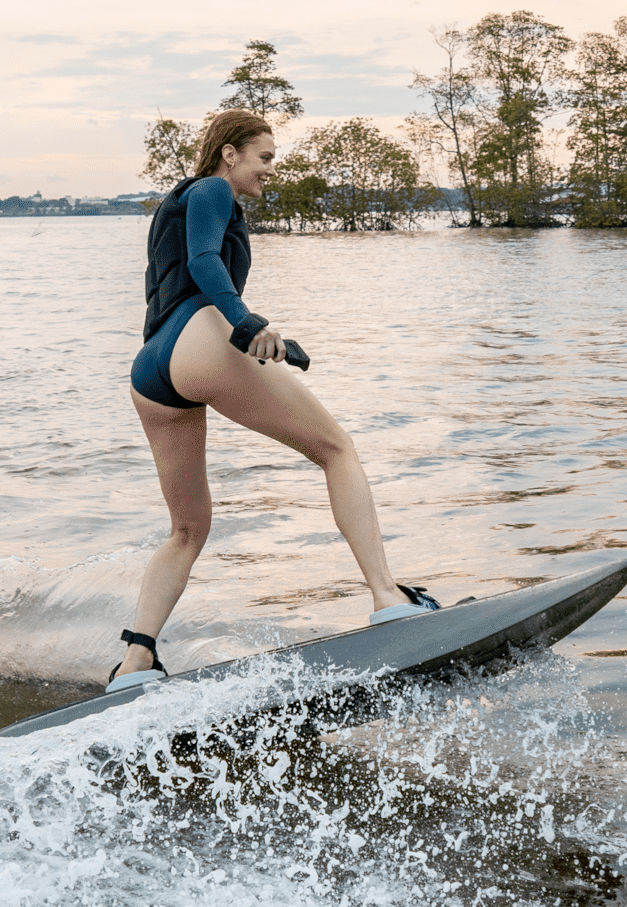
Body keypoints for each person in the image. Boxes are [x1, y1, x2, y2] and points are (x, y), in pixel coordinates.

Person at [109, 109, 434, 689]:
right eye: (264, 158)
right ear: (230, 153)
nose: (269, 171)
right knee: (337, 449)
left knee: (188, 529)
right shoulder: (212, 189)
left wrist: (255, 338)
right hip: (198, 335)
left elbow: (183, 270)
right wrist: (245, 321)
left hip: (151, 369)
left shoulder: (176, 201)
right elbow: (205, 261)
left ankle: (134, 663)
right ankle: (390, 598)